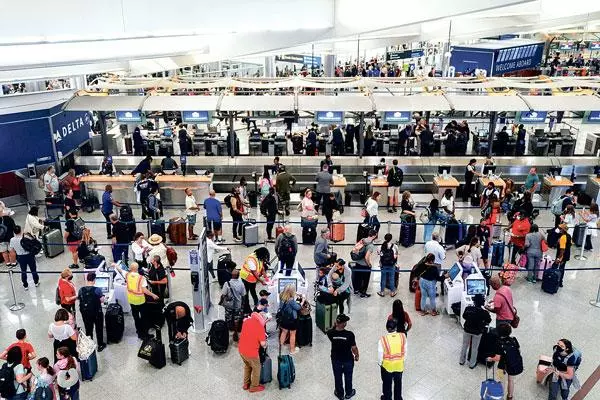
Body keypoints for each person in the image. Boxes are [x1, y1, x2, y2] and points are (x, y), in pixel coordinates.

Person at [116, 261, 158, 340]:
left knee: (136, 318)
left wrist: (115, 265)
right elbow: (145, 290)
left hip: (131, 300)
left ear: (130, 268)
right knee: (144, 318)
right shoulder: (141, 278)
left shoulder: (127, 275)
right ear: (137, 269)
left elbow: (120, 270)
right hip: (140, 301)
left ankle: (139, 333)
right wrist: (153, 295)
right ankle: (145, 334)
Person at [486, 323, 523, 400]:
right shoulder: (514, 339)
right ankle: (510, 396)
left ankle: (501, 397)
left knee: (501, 381)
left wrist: (490, 359)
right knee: (511, 380)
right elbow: (519, 350)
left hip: (502, 366)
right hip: (512, 364)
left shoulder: (499, 343)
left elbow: (497, 358)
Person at [327, 314, 359, 400]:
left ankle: (340, 394)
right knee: (348, 376)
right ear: (344, 324)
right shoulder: (349, 335)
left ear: (336, 322)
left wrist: (335, 326)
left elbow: (330, 331)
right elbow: (354, 348)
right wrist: (357, 355)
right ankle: (349, 393)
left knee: (337, 377)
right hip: (347, 360)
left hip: (335, 359)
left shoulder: (330, 333)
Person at [459, 294, 491, 369]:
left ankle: (461, 360)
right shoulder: (484, 313)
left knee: (464, 345)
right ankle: (472, 364)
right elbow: (488, 320)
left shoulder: (468, 308)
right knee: (474, 348)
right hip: (477, 332)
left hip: (467, 329)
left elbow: (464, 316)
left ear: (474, 301)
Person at [238, 311, 267, 393]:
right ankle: (254, 386)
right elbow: (263, 344)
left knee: (247, 365)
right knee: (256, 368)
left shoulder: (246, 321)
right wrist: (265, 343)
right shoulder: (260, 327)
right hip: (251, 353)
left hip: (241, 350)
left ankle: (246, 384)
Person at [378, 319, 407, 400]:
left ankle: (387, 397)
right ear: (396, 327)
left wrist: (380, 364)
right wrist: (402, 361)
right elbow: (405, 351)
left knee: (387, 384)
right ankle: (398, 398)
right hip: (399, 365)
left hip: (387, 367)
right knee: (398, 383)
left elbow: (380, 354)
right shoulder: (402, 336)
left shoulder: (383, 339)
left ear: (386, 328)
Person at [77, 272, 106, 352]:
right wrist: (103, 297)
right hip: (97, 313)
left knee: (88, 329)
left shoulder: (81, 290)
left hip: (85, 313)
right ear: (94, 280)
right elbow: (101, 300)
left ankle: (90, 345)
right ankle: (100, 345)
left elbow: (79, 299)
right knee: (99, 328)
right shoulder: (97, 290)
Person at [220, 269, 246, 341]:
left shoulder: (227, 284)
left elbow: (223, 294)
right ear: (238, 276)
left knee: (228, 318)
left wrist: (221, 301)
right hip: (238, 305)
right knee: (236, 318)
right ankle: (235, 332)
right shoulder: (241, 284)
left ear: (231, 276)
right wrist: (242, 305)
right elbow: (243, 295)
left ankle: (227, 331)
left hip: (229, 305)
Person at [278, 285, 305, 354]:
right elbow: (298, 308)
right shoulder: (291, 301)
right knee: (292, 334)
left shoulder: (281, 296)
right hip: (292, 320)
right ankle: (292, 350)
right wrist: (303, 300)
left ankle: (281, 346)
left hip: (284, 318)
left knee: (284, 332)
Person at [353, 229, 377, 298]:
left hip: (358, 262)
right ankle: (363, 293)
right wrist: (369, 264)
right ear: (374, 236)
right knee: (365, 279)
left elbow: (356, 247)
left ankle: (356, 290)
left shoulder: (363, 240)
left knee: (358, 277)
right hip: (364, 265)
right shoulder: (371, 245)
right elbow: (366, 257)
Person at [378, 233, 398, 297]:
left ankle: (382, 292)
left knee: (383, 278)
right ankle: (392, 292)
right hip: (392, 264)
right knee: (391, 278)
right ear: (391, 238)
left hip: (383, 264)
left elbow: (379, 254)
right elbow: (396, 256)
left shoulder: (380, 246)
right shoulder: (395, 246)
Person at [555, 223, 572, 288]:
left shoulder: (563, 237)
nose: (559, 229)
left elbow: (562, 249)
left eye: (560, 228)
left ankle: (558, 281)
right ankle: (560, 282)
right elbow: (570, 244)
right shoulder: (569, 236)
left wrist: (559, 258)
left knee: (559, 268)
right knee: (562, 269)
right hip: (567, 255)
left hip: (562, 256)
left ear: (562, 230)